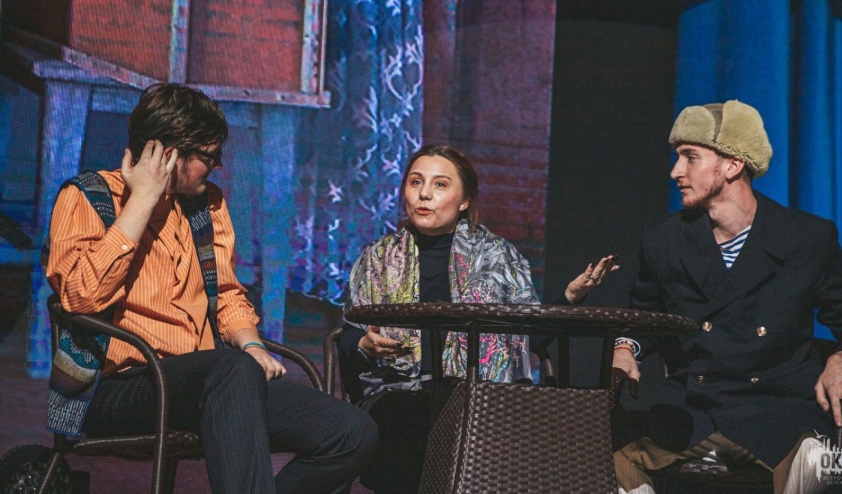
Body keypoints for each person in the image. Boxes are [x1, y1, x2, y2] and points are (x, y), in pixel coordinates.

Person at [44, 83, 377, 494]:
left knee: (351, 431)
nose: (216, 166)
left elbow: (228, 296)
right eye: (209, 156)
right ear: (169, 155)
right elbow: (80, 296)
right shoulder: (86, 197)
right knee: (229, 368)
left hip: (209, 385)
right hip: (116, 388)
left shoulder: (207, 205)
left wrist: (252, 345)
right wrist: (142, 201)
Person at [570, 100, 842, 494]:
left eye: (690, 157)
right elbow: (643, 317)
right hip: (692, 412)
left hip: (777, 411)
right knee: (600, 452)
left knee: (810, 461)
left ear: (733, 165)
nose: (675, 171)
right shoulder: (665, 239)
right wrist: (625, 347)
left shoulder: (804, 238)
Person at [338, 144, 615, 493]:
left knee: (474, 419)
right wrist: (364, 344)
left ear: (465, 200)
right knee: (409, 420)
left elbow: (526, 338)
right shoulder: (377, 258)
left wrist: (570, 298)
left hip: (481, 395)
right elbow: (348, 335)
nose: (424, 194)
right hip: (399, 395)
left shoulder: (498, 258)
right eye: (416, 182)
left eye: (440, 184)